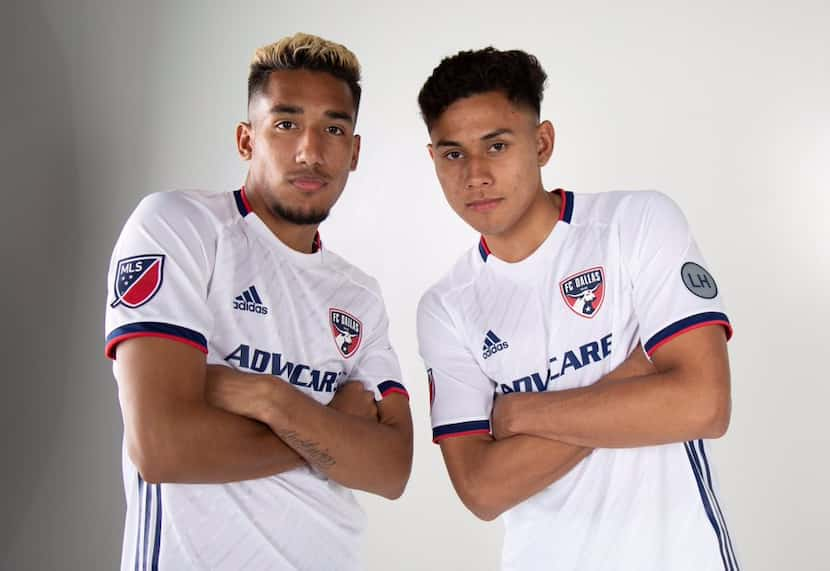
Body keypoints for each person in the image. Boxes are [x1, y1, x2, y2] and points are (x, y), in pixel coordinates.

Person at [416, 47, 739, 571]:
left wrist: (520, 413)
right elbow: (481, 488)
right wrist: (636, 374)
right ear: (433, 158)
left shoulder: (635, 224)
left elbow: (703, 405)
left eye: (496, 145)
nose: (474, 174)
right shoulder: (446, 307)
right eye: (453, 154)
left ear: (541, 143)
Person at [104, 33, 412, 571]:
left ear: (355, 151)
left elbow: (390, 469)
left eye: (333, 129)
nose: (310, 152)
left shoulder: (358, 295)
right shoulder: (180, 228)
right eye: (286, 124)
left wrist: (270, 399)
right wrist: (329, 430)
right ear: (247, 140)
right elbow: (161, 448)